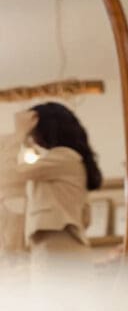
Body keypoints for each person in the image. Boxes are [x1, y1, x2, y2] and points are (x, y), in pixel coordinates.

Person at [8, 103, 102, 267]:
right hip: (60, 250)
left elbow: (9, 173)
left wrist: (19, 135)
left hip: (58, 251)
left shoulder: (64, 157)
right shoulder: (67, 161)